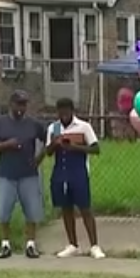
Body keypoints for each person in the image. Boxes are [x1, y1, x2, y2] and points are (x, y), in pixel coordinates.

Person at [0, 90, 47, 259]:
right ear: (11, 104)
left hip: (28, 174)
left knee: (32, 211)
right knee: (3, 212)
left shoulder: (33, 124)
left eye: (24, 104)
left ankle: (31, 245)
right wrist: (6, 145)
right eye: (19, 104)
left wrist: (38, 159)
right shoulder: (0, 123)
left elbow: (48, 141)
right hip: (6, 174)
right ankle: (5, 245)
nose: (22, 108)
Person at [45, 98, 105, 259]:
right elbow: (48, 152)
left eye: (66, 112)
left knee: (85, 208)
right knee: (66, 209)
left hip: (78, 172)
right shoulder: (53, 128)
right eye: (60, 112)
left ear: (72, 111)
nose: (63, 116)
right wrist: (55, 143)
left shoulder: (84, 127)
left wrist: (74, 147)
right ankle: (73, 244)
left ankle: (94, 245)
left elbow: (95, 149)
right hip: (60, 172)